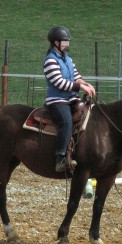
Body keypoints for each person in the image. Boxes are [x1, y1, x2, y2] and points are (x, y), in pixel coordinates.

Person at [44, 25, 96, 172]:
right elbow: (58, 82)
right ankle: (60, 157)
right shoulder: (50, 61)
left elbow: (76, 77)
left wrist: (86, 84)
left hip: (71, 98)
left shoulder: (68, 59)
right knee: (66, 122)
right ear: (56, 43)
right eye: (65, 41)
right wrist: (80, 88)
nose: (67, 43)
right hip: (57, 100)